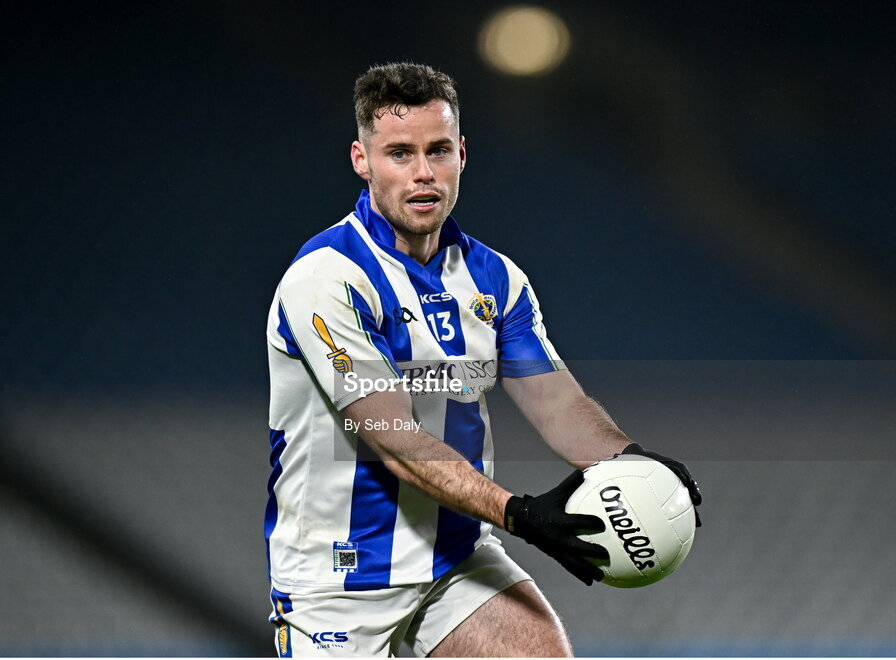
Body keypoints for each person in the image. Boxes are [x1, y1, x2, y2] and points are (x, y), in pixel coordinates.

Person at [264, 62, 702, 657]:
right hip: (339, 582)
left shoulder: (495, 278)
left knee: (540, 648)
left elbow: (557, 403)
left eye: (438, 151)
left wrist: (629, 460)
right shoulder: (327, 278)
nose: (423, 174)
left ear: (462, 154)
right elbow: (396, 440)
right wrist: (518, 514)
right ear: (361, 161)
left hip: (455, 557)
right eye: (399, 154)